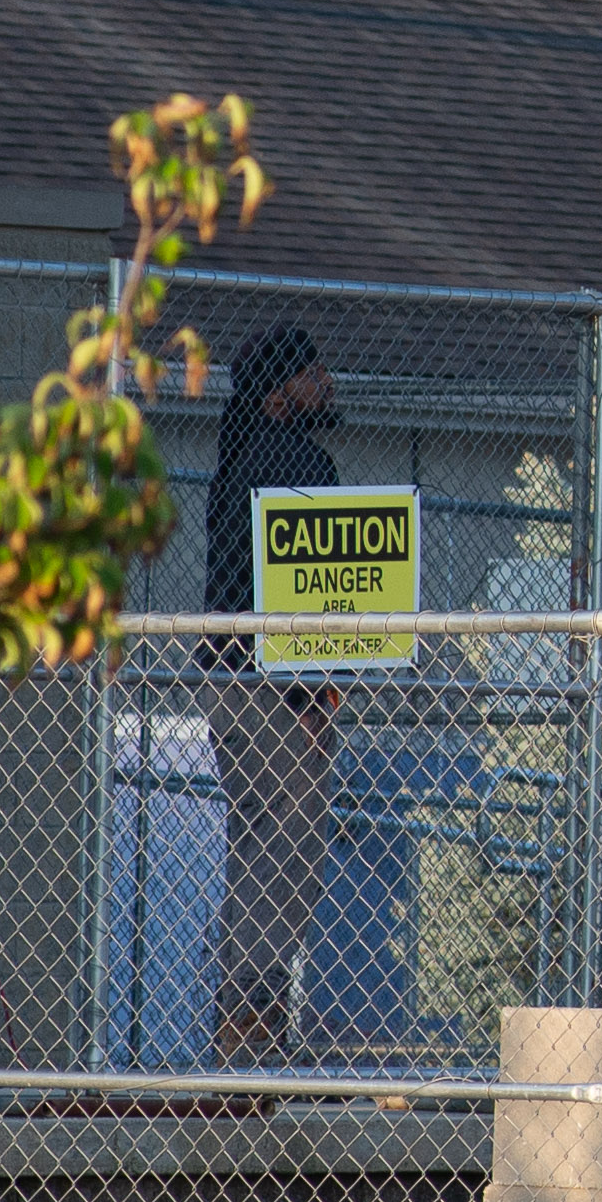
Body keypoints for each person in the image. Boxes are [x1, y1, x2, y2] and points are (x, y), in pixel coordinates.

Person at [200, 325, 343, 1066]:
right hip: (274, 690)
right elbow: (309, 596)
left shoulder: (238, 460)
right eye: (314, 372)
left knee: (253, 845)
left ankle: (239, 1018)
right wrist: (315, 691)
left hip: (227, 683)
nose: (328, 383)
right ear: (281, 390)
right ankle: (250, 1016)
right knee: (288, 851)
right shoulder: (297, 465)